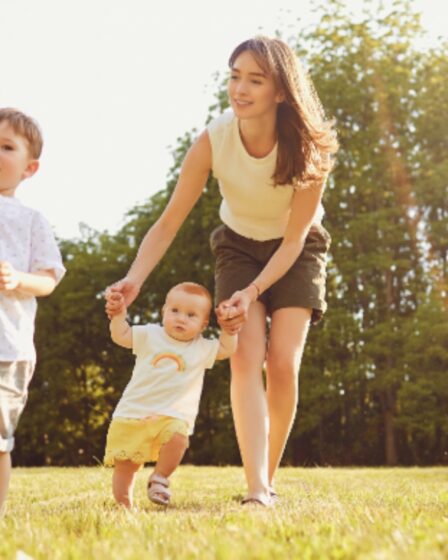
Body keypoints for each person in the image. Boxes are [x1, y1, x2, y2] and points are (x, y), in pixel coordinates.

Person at [106, 36, 338, 506]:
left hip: (298, 249)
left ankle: (266, 479)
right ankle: (255, 489)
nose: (240, 88)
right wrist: (135, 278)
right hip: (237, 246)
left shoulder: (310, 152)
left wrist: (254, 292)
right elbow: (170, 220)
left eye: (255, 79)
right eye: (235, 76)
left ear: (280, 91)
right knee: (245, 356)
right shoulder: (214, 139)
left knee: (283, 364)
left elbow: (293, 240)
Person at [104, 282, 237, 509]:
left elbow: (226, 349)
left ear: (204, 325)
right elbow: (121, 336)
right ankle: (123, 506)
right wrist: (118, 316)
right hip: (133, 412)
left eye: (191, 315)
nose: (181, 318)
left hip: (172, 414)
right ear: (163, 312)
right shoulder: (149, 334)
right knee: (126, 466)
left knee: (178, 438)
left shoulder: (201, 347)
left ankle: (160, 478)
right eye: (174, 311)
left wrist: (229, 330)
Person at [0, 108, 66, 513]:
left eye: (6, 147)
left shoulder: (30, 220)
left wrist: (17, 281)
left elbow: (49, 278)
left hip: (7, 349)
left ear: (30, 168)